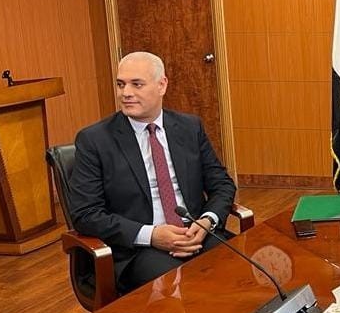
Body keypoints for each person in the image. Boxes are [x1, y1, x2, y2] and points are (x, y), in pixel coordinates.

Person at [70, 51, 236, 293]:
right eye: (121, 84)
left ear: (162, 85)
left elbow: (221, 184)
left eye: (136, 84)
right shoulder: (94, 140)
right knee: (183, 287)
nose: (126, 93)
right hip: (139, 249)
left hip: (196, 232)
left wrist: (207, 221)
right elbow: (86, 213)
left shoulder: (189, 127)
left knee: (241, 271)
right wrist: (151, 235)